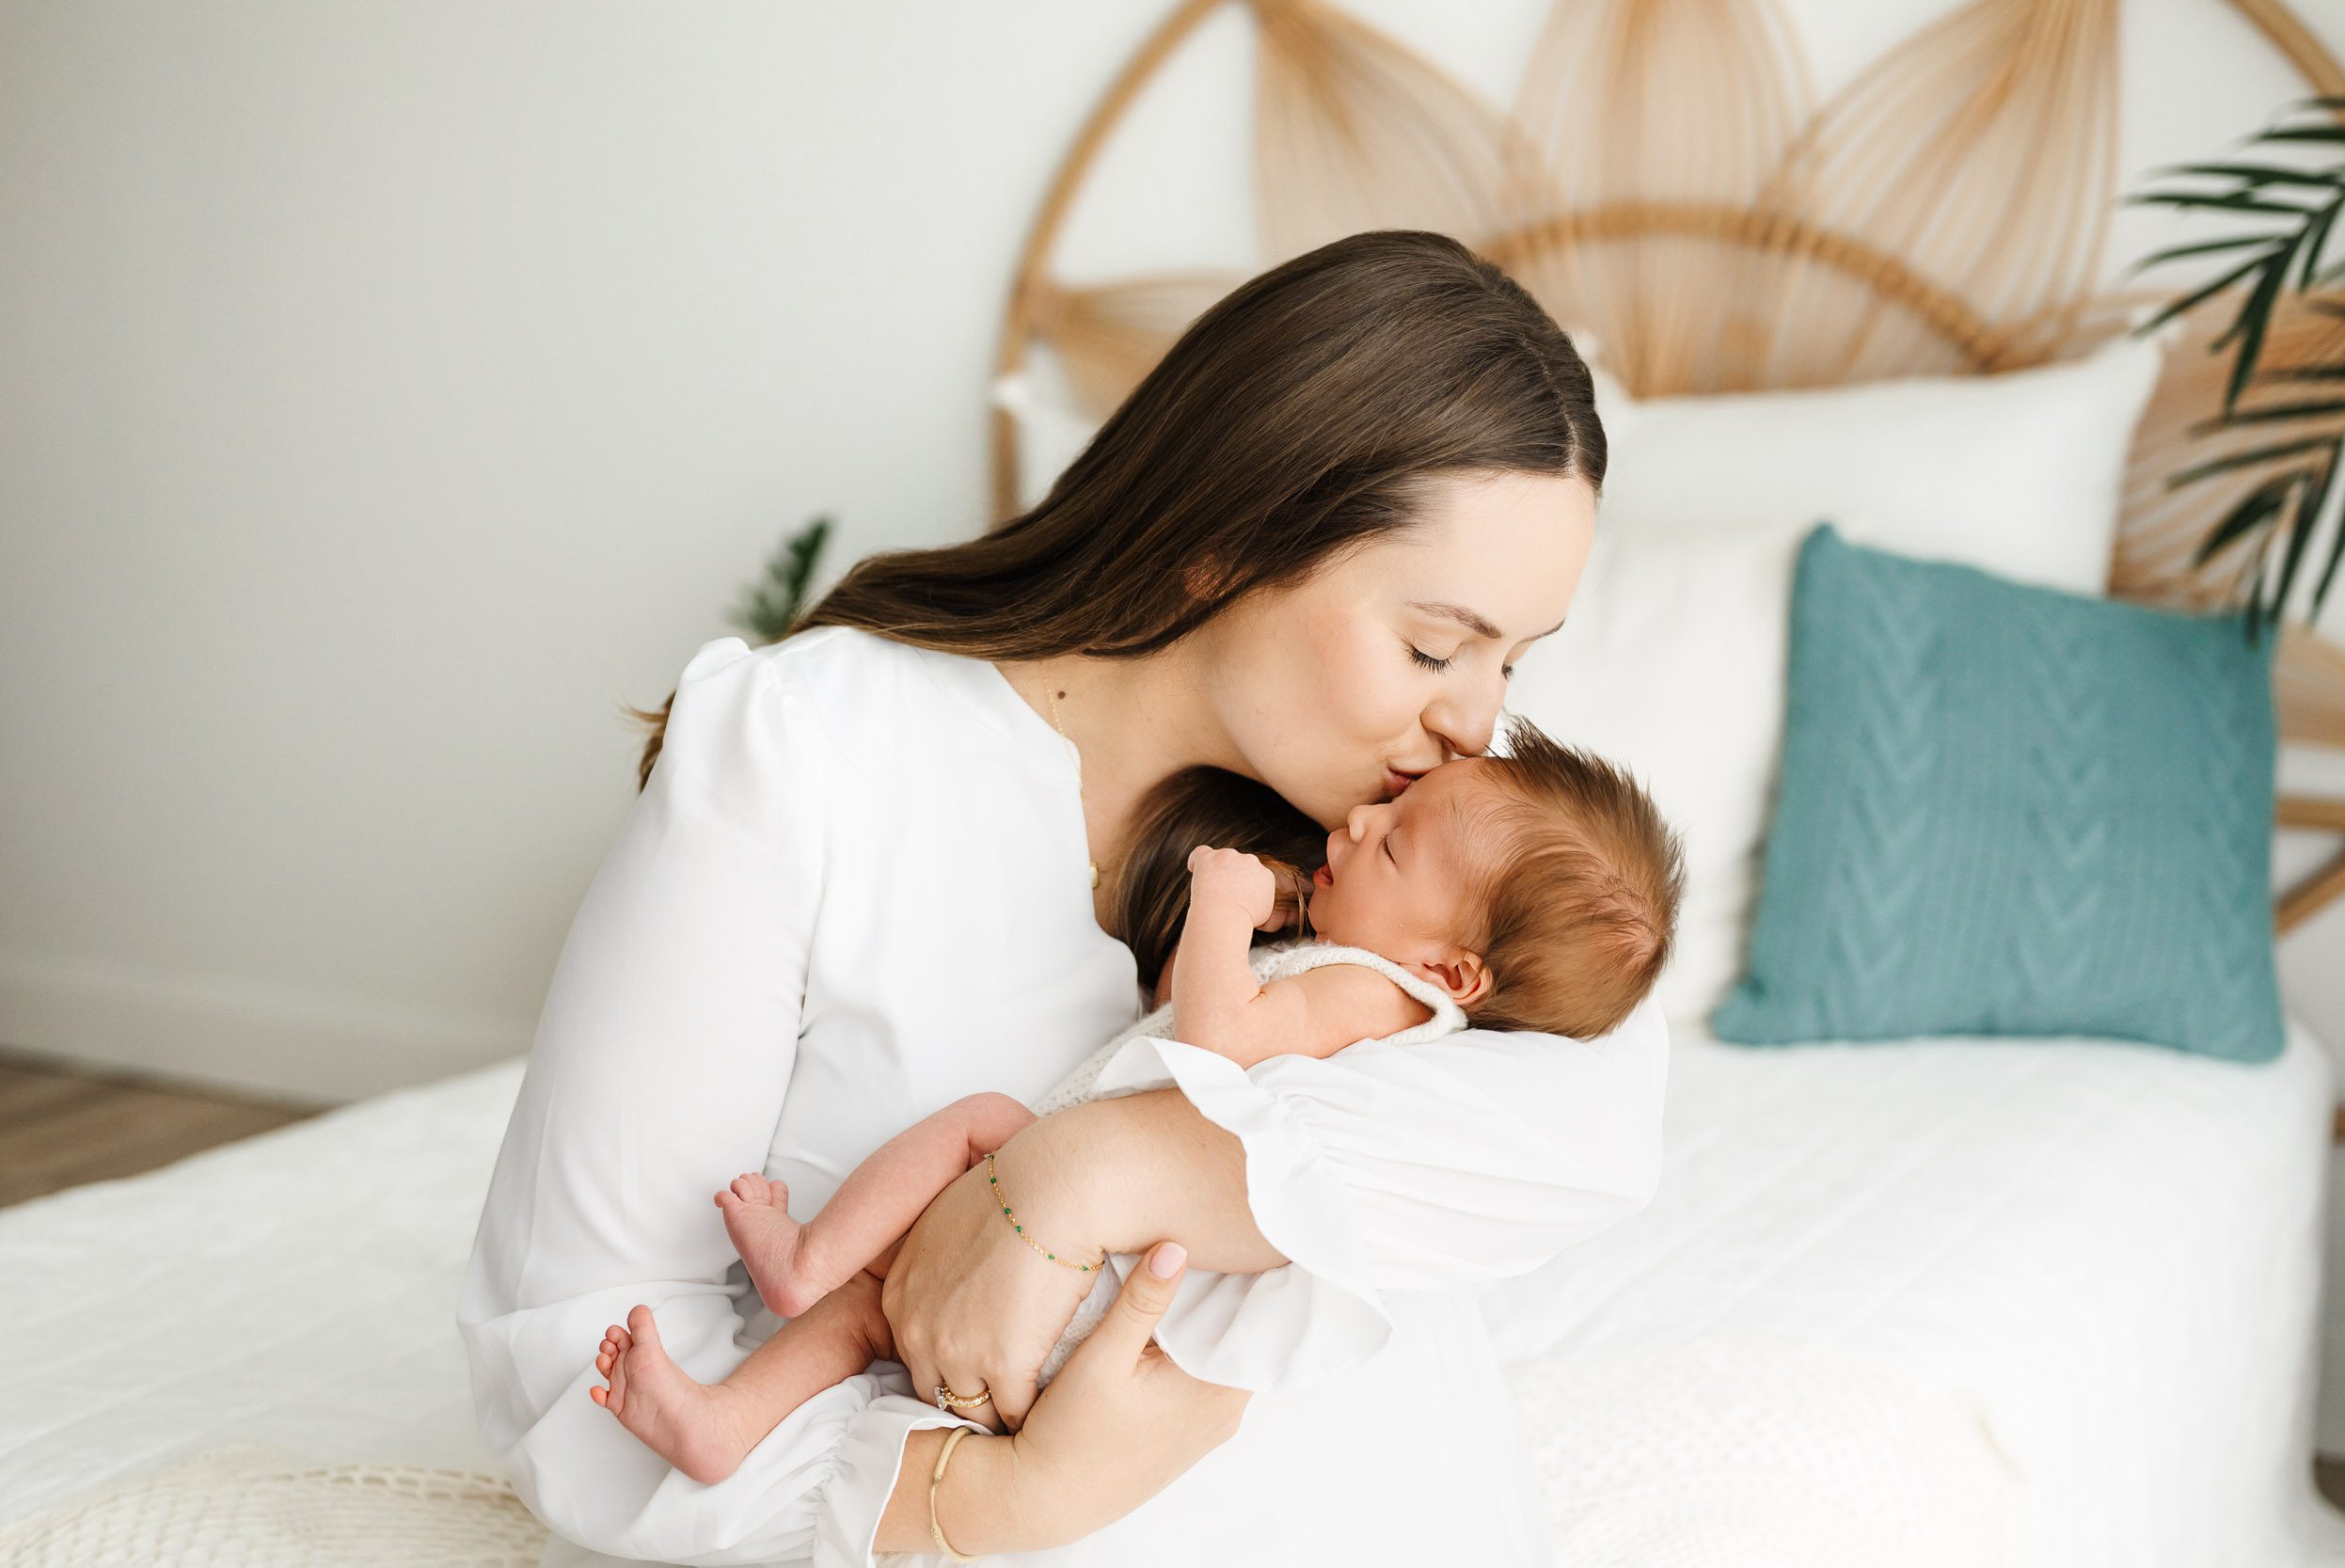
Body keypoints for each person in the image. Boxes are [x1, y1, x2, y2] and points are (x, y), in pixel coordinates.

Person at [456, 228, 1672, 1568]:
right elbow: (565, 1340)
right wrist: (976, 1504)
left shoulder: (1413, 832)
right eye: (1437, 643)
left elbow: (1607, 1107)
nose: (1477, 718)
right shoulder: (812, 750)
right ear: (1225, 540)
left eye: (1514, 660)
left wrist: (1097, 1163)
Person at [579, 722, 1687, 1486]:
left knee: (957, 1147)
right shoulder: (1358, 971)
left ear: (1452, 972)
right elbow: (1182, 1019)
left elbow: (1219, 1040)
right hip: (1079, 1235)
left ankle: (801, 1267)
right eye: (1381, 811)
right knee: (882, 1300)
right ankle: (729, 1420)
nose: (1352, 824)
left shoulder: (1373, 992)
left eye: (1391, 844)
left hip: (1092, 1263)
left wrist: (1221, 903)